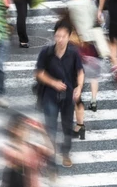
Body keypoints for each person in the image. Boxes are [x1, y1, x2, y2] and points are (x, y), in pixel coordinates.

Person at [35, 20, 85, 169]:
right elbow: (39, 73)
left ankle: (66, 153)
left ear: (69, 36)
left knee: (67, 126)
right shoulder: (46, 52)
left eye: (63, 36)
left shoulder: (73, 53)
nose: (60, 39)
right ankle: (50, 157)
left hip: (68, 97)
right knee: (50, 127)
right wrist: (53, 83)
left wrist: (79, 87)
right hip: (49, 95)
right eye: (57, 36)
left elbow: (80, 72)